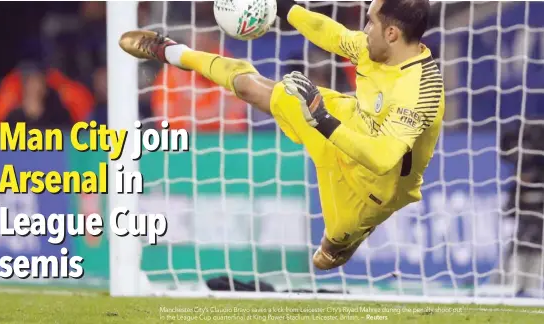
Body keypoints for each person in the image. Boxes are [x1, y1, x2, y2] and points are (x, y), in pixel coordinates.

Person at [119, 0, 444, 270]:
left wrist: (322, 120)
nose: (364, 29)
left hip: (373, 188)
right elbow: (332, 34)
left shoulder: (420, 90)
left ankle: (344, 239)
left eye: (370, 22)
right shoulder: (376, 48)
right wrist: (283, 7)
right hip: (346, 123)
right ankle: (172, 52)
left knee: (327, 257)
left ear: (391, 33)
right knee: (252, 88)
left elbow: (382, 158)